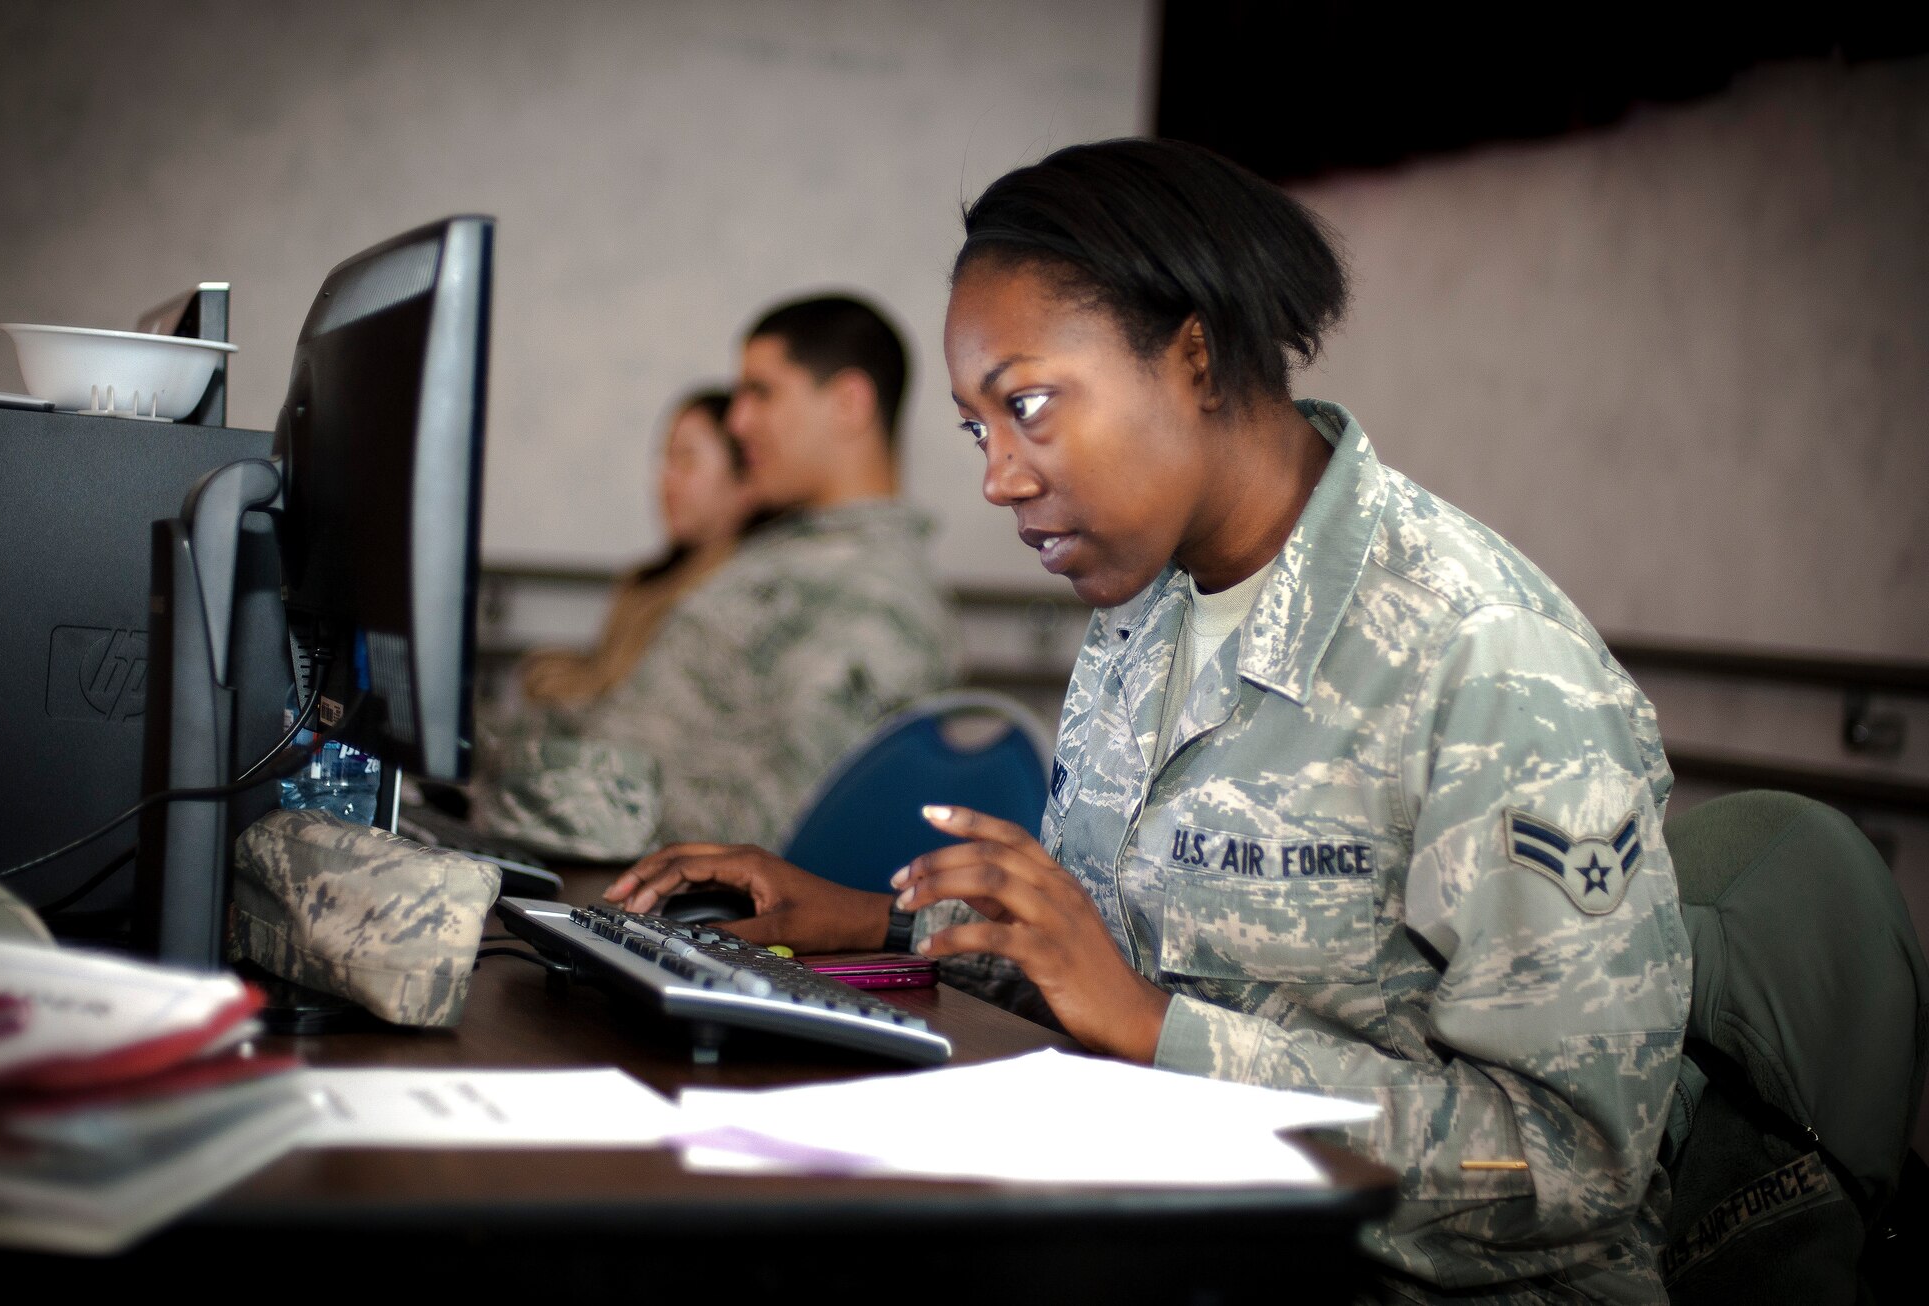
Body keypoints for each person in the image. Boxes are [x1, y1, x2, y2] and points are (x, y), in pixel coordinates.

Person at [606, 140, 1691, 1304]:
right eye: (977, 429)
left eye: (1027, 406)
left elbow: (1573, 1163)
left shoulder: (1484, 655)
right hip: (1154, 1232)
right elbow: (1105, 965)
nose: (997, 478)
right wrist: (873, 920)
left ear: (1194, 358)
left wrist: (1158, 1030)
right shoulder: (1149, 611)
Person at [475, 295, 960, 861]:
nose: (738, 420)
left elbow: (777, 831)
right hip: (583, 837)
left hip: (635, 872)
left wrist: (517, 786)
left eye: (762, 392)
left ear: (849, 403)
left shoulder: (876, 600)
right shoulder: (786, 556)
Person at [519, 389, 752, 707]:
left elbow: (635, 702)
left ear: (744, 476)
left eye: (686, 460)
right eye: (666, 460)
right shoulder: (646, 581)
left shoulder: (738, 587)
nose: (666, 479)